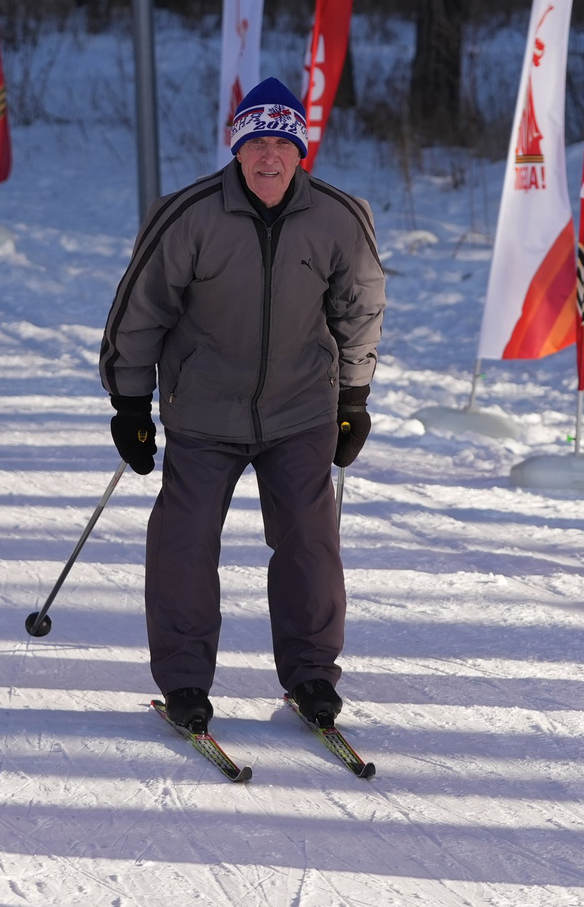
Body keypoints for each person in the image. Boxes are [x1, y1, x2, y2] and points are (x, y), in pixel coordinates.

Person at [98, 76, 385, 737]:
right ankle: (185, 680)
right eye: (255, 141)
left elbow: (360, 310)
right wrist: (130, 403)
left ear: (300, 149)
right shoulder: (190, 214)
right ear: (236, 146)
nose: (268, 156)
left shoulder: (340, 217)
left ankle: (312, 674)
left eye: (281, 142)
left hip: (300, 412)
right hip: (204, 413)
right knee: (185, 542)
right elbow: (140, 311)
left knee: (311, 541)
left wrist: (354, 397)